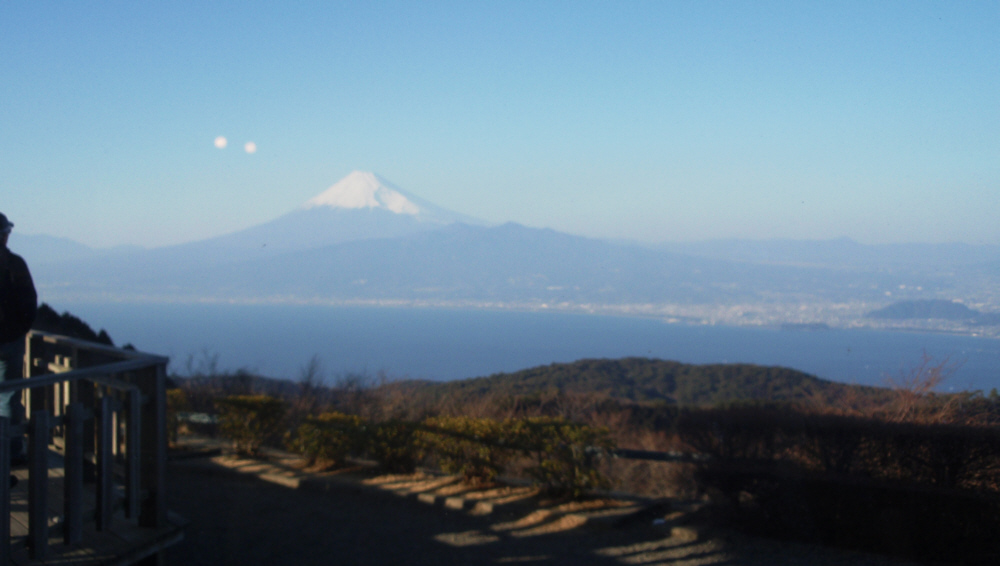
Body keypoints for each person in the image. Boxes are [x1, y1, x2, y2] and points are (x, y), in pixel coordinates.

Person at [0, 212, 37, 469]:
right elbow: (29, 302)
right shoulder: (15, 264)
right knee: (9, 397)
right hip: (10, 339)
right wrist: (19, 329)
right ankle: (12, 450)